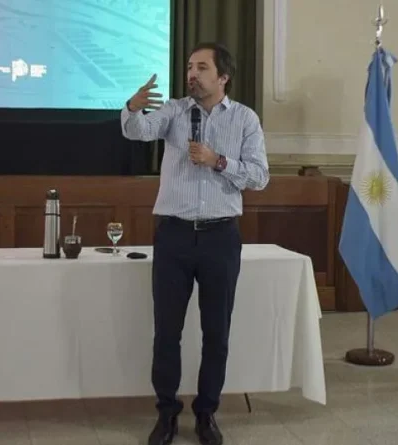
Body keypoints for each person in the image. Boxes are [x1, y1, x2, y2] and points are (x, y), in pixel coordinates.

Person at [120, 42, 269, 445]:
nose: (192, 74)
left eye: (202, 68)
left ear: (223, 77)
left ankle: (207, 413)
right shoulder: (173, 111)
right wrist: (132, 108)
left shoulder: (244, 119)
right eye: (189, 67)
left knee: (216, 332)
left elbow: (259, 176)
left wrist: (218, 160)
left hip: (221, 237)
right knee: (167, 332)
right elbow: (137, 131)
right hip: (174, 236)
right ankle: (166, 413)